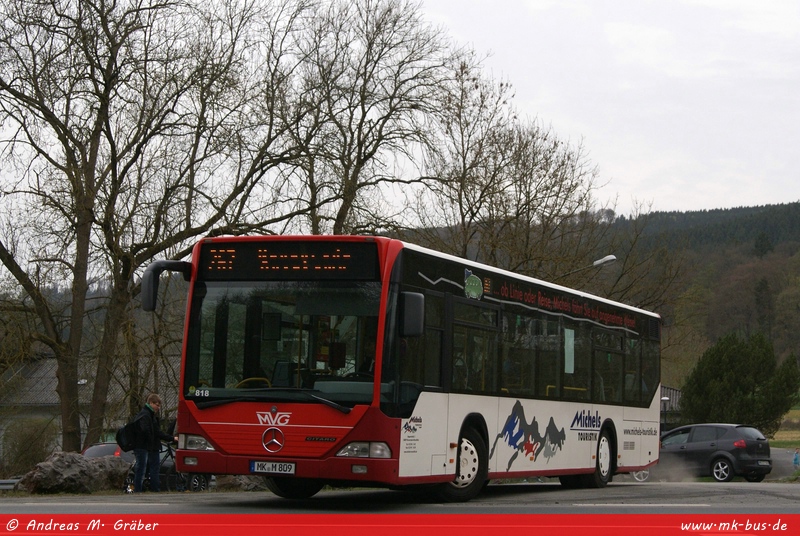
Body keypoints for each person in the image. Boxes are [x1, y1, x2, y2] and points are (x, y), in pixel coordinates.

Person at [132, 393, 175, 492]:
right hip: (143, 446)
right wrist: (170, 438)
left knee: (144, 468)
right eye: (157, 405)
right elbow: (150, 431)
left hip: (145, 445)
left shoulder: (148, 414)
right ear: (150, 403)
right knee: (142, 469)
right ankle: (139, 490)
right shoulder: (146, 415)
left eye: (159, 406)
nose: (158, 408)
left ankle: (145, 488)